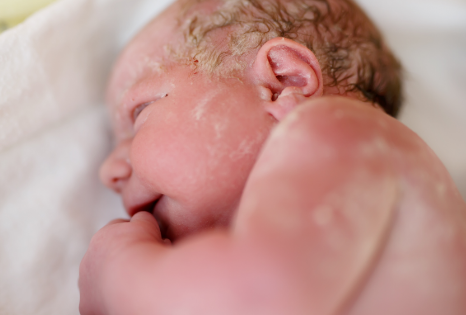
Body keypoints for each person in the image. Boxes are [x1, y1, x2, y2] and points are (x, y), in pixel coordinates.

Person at [78, 0, 466, 314]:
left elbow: (259, 296)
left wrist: (119, 275)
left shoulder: (344, 133)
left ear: (283, 81)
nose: (109, 170)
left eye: (140, 112)